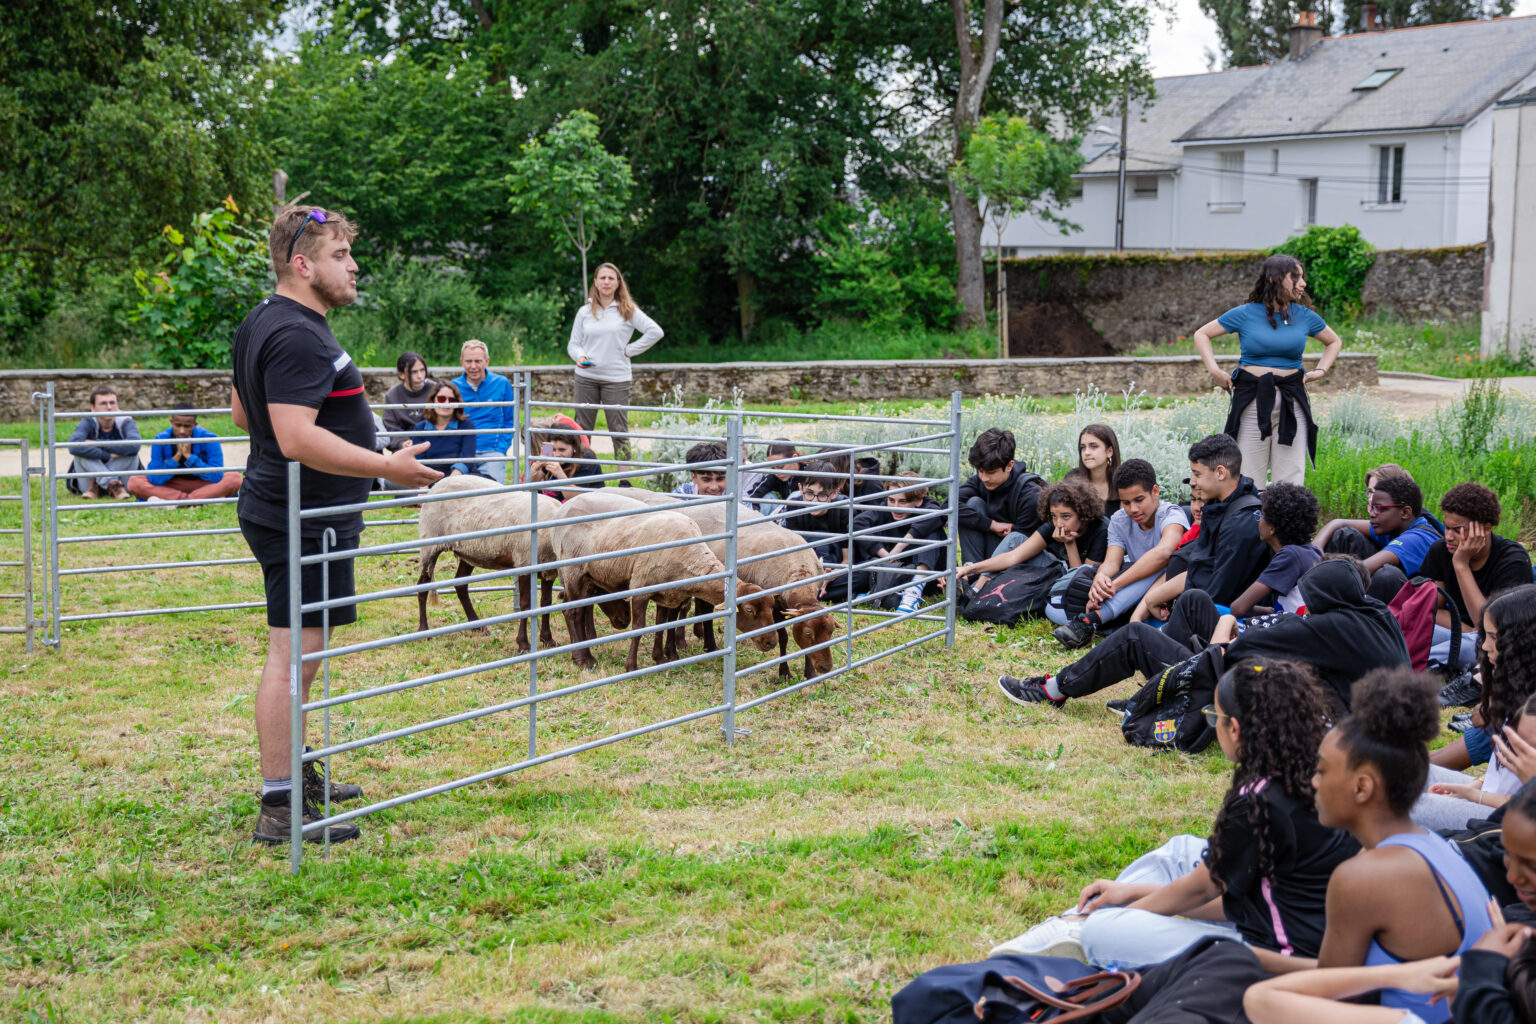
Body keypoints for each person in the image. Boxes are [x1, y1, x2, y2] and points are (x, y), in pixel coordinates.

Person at [231, 204, 441, 846]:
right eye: (340, 255)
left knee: (303, 652)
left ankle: (293, 773)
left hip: (305, 514)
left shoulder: (264, 321)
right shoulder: (297, 333)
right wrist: (384, 465)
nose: (354, 266)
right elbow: (293, 436)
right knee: (293, 655)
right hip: (299, 517)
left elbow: (245, 414)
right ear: (303, 264)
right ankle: (280, 805)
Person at [995, 659, 1360, 971]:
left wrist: (1130, 909)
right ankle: (1079, 921)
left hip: (1276, 954)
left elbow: (1203, 889)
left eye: (1213, 715)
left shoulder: (1260, 800)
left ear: (1234, 728)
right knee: (1182, 849)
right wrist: (1128, 894)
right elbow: (1233, 892)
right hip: (1281, 919)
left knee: (1103, 931)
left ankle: (1083, 926)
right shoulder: (1305, 767)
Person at [1305, 667, 1493, 1024]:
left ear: (1363, 787)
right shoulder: (1429, 847)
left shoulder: (1363, 877)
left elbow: (1327, 996)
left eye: (1323, 770)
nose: (1313, 781)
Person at [997, 555, 1409, 712]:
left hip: (1261, 687)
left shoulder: (1325, 628)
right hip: (1313, 690)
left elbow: (1235, 648)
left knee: (1135, 635)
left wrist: (1224, 633)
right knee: (1194, 599)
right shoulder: (1372, 613)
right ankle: (1154, 690)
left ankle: (1052, 689)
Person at [1191, 253, 1344, 487]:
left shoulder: (1304, 316)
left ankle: (1285, 522)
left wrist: (1320, 371)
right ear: (1275, 279)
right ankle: (1252, 521)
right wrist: (1215, 371)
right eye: (1296, 277)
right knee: (1249, 474)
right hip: (1252, 398)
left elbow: (1334, 341)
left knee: (1290, 476)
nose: (1303, 283)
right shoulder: (1245, 313)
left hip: (1291, 401)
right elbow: (1202, 334)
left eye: (1302, 277)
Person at [1048, 458, 1188, 648]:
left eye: (1139, 500)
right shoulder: (1119, 520)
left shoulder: (1172, 514)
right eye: (1126, 502)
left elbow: (1164, 553)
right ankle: (1099, 619)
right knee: (1118, 572)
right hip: (1134, 593)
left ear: (1155, 492)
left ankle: (1092, 620)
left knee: (1162, 563)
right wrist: (1101, 580)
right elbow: (1112, 562)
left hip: (1170, 588)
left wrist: (1115, 585)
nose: (1133, 509)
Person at [1132, 433, 1271, 620]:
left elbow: (1217, 594)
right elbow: (1202, 568)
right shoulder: (1219, 506)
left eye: (1197, 474)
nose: (1192, 481)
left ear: (1221, 473)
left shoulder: (1241, 523)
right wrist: (1154, 598)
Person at [1418, 484, 1535, 668]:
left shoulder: (1513, 560)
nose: (1448, 536)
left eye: (1457, 530)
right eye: (1446, 528)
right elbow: (1428, 611)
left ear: (1486, 529)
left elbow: (1487, 628)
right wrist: (1466, 630)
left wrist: (1461, 564)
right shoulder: (1440, 551)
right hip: (1458, 631)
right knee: (1416, 629)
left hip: (1496, 643)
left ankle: (1411, 664)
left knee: (1470, 645)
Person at [568, 262, 663, 480]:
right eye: (602, 278)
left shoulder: (627, 310)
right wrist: (579, 356)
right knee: (581, 429)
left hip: (617, 379)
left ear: (618, 282)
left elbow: (655, 331)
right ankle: (581, 474)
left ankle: (624, 480)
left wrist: (630, 350)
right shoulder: (584, 312)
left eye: (611, 278)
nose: (606, 282)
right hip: (586, 378)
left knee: (618, 430)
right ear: (595, 281)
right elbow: (573, 344)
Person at [1431, 586, 1536, 775]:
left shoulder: (1529, 717)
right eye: (1485, 635)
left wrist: (1474, 796)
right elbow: (1480, 717)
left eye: (1495, 637)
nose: (1486, 646)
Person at [955, 477, 1107, 592]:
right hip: (1053, 570)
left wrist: (1069, 544)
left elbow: (1081, 582)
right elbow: (1013, 556)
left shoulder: (1100, 529)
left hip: (1072, 583)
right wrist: (969, 569)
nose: (1059, 523)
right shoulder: (1053, 524)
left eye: (1066, 516)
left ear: (1083, 513)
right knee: (1016, 538)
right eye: (1054, 516)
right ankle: (976, 592)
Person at [1314, 473, 1443, 581]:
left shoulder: (1417, 538)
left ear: (1405, 512)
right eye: (1371, 507)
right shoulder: (1394, 525)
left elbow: (1362, 569)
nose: (1371, 513)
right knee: (1345, 535)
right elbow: (1338, 522)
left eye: (1378, 508)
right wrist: (1315, 551)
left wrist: (1319, 571)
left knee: (1387, 575)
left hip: (1420, 605)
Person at [851, 471, 947, 613]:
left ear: (919, 500)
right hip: (896, 570)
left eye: (903, 502)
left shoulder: (929, 506)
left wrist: (898, 547)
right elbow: (857, 523)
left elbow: (936, 515)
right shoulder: (885, 508)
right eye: (891, 500)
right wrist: (886, 555)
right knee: (857, 575)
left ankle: (914, 591)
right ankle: (880, 591)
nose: (896, 507)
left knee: (931, 529)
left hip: (930, 578)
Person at [955, 428, 1043, 566]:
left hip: (1018, 559)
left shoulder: (1030, 495)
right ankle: (971, 577)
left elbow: (1019, 546)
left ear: (1009, 465)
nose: (984, 478)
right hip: (990, 550)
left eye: (991, 472)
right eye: (980, 471)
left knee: (1014, 538)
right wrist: (991, 525)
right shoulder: (981, 480)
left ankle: (978, 580)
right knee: (973, 503)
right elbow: (949, 506)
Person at [126, 409, 243, 503]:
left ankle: (179, 502)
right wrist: (176, 458)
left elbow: (216, 476)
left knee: (235, 478)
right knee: (134, 482)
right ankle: (197, 500)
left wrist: (190, 457)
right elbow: (155, 479)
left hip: (203, 484)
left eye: (187, 426)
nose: (182, 431)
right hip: (170, 486)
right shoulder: (160, 439)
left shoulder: (210, 438)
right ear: (171, 422)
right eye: (178, 425)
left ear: (195, 425)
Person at [783, 458, 853, 603]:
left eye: (822, 495)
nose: (814, 501)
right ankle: (817, 590)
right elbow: (790, 555)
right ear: (800, 488)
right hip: (801, 568)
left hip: (834, 569)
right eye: (809, 493)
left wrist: (828, 577)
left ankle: (813, 590)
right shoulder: (793, 507)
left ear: (834, 493)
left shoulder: (843, 510)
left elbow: (847, 560)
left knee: (859, 577)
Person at [451, 339, 515, 484]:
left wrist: (501, 448)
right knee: (457, 493)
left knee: (493, 494)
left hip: (492, 451)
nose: (473, 366)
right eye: (468, 361)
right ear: (462, 362)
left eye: (478, 361)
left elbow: (511, 419)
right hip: (463, 451)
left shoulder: (502, 383)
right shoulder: (453, 386)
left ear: (487, 361)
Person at [66, 385, 141, 499]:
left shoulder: (125, 420)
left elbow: (135, 446)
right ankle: (113, 484)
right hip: (90, 483)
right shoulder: (88, 420)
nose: (109, 407)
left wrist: (96, 443)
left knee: (131, 453)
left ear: (118, 405)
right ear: (92, 407)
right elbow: (74, 446)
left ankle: (98, 484)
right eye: (103, 404)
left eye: (112, 403)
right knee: (80, 454)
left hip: (121, 480)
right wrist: (107, 455)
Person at [411, 381, 484, 479]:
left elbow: (467, 457)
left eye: (452, 400)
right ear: (433, 401)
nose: (446, 403)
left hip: (461, 476)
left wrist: (450, 481)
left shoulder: (466, 425)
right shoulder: (420, 428)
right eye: (441, 399)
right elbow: (419, 462)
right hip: (430, 478)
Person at [528, 427, 605, 500]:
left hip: (582, 505)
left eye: (562, 450)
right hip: (555, 502)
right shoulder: (550, 454)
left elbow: (576, 499)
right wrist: (534, 470)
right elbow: (531, 485)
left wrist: (560, 474)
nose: (557, 454)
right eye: (553, 449)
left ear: (574, 448)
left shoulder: (586, 459)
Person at [1063, 423, 1122, 518]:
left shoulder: (1122, 480)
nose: (1086, 452)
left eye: (1093, 446)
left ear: (1109, 451)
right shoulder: (1073, 479)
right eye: (1083, 447)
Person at [380, 351, 435, 452]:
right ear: (401, 375)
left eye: (422, 370)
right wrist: (402, 442)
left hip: (432, 443)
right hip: (404, 448)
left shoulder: (435, 390)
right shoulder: (392, 396)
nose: (420, 376)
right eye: (414, 372)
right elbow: (390, 427)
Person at [746, 440, 799, 517]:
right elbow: (754, 494)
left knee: (797, 495)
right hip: (784, 516)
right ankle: (757, 523)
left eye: (781, 466)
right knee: (768, 497)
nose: (777, 472)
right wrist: (755, 511)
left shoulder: (809, 471)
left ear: (795, 458)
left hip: (804, 519)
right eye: (773, 467)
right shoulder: (775, 476)